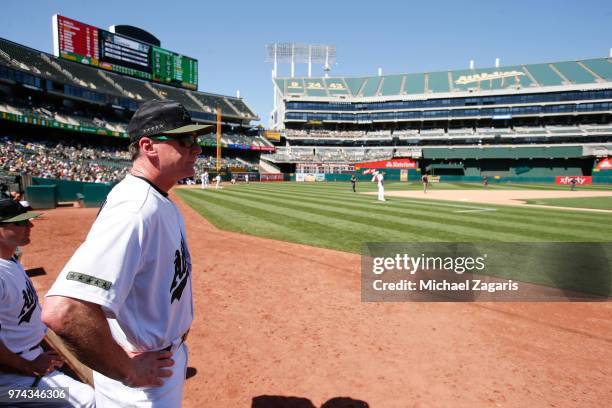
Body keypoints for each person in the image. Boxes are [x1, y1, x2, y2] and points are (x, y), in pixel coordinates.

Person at [42, 99, 212, 407]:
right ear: (148, 146)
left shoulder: (156, 199)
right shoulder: (136, 209)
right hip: (142, 389)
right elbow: (63, 310)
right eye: (186, 141)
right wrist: (128, 370)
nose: (197, 149)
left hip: (158, 366)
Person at [0, 199, 95, 407]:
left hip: (30, 356)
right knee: (88, 400)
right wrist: (29, 366)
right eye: (21, 223)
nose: (30, 226)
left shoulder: (10, 260)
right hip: (10, 385)